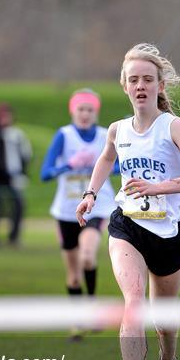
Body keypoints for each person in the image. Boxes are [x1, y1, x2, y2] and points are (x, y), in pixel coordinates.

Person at [76, 44, 180, 360]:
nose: (140, 85)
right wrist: (90, 194)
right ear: (124, 85)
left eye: (147, 79)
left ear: (159, 85)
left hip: (169, 235)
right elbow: (106, 158)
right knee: (133, 302)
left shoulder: (173, 127)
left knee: (163, 321)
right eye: (133, 79)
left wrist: (158, 187)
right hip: (128, 227)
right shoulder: (117, 130)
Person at [41, 88, 117, 340]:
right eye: (80, 109)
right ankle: (77, 320)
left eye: (90, 110)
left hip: (97, 206)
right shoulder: (63, 136)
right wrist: (69, 165)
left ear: (96, 113)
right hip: (66, 211)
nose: (85, 114)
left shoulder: (106, 135)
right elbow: (45, 173)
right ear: (72, 111)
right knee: (73, 275)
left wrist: (97, 165)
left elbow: (119, 166)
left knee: (87, 256)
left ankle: (91, 308)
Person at [0, 103, 32, 247]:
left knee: (18, 205)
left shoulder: (16, 134)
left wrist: (23, 172)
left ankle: (13, 236)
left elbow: (25, 154)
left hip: (13, 176)